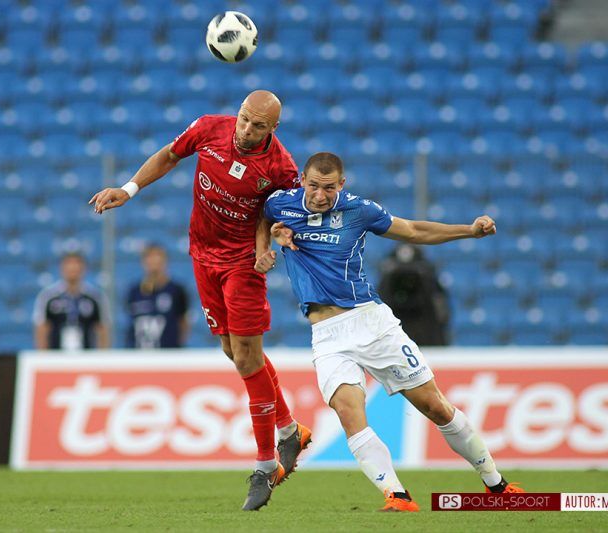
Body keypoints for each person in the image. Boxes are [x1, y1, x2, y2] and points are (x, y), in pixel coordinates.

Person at [258, 152, 525, 512]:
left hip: (371, 323)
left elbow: (413, 231)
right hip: (327, 335)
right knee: (348, 413)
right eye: (314, 186)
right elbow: (262, 217)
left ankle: (497, 485)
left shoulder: (358, 210)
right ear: (302, 180)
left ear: (342, 184)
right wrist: (266, 245)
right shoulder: (280, 204)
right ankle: (397, 496)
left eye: (329, 188)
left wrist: (469, 230)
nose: (320, 195)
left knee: (435, 406)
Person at [88, 90, 311, 511]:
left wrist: (270, 244)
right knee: (232, 350)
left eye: (258, 125)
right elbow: (170, 155)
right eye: (244, 118)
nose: (247, 129)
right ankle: (289, 430)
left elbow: (280, 216)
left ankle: (266, 464)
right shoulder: (210, 128)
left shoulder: (281, 168)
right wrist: (129, 189)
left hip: (242, 263)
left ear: (273, 129)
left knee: (246, 357)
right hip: (202, 255)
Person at [32, 252, 111, 350]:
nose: (73, 268)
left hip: (86, 355)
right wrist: (43, 355)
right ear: (61, 268)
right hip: (56, 355)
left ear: (84, 268)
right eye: (68, 264)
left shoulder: (95, 297)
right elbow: (42, 328)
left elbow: (102, 329)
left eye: (77, 264)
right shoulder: (48, 296)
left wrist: (102, 355)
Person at [378, 243, 450, 346]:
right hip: (393, 335)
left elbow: (442, 314)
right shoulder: (385, 285)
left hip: (426, 332)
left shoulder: (429, 280)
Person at [125, 244, 190, 349]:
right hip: (139, 352)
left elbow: (183, 322)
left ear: (165, 262)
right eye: (150, 259)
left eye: (158, 260)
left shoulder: (176, 291)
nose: (154, 264)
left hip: (168, 352)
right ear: (143, 263)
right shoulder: (134, 291)